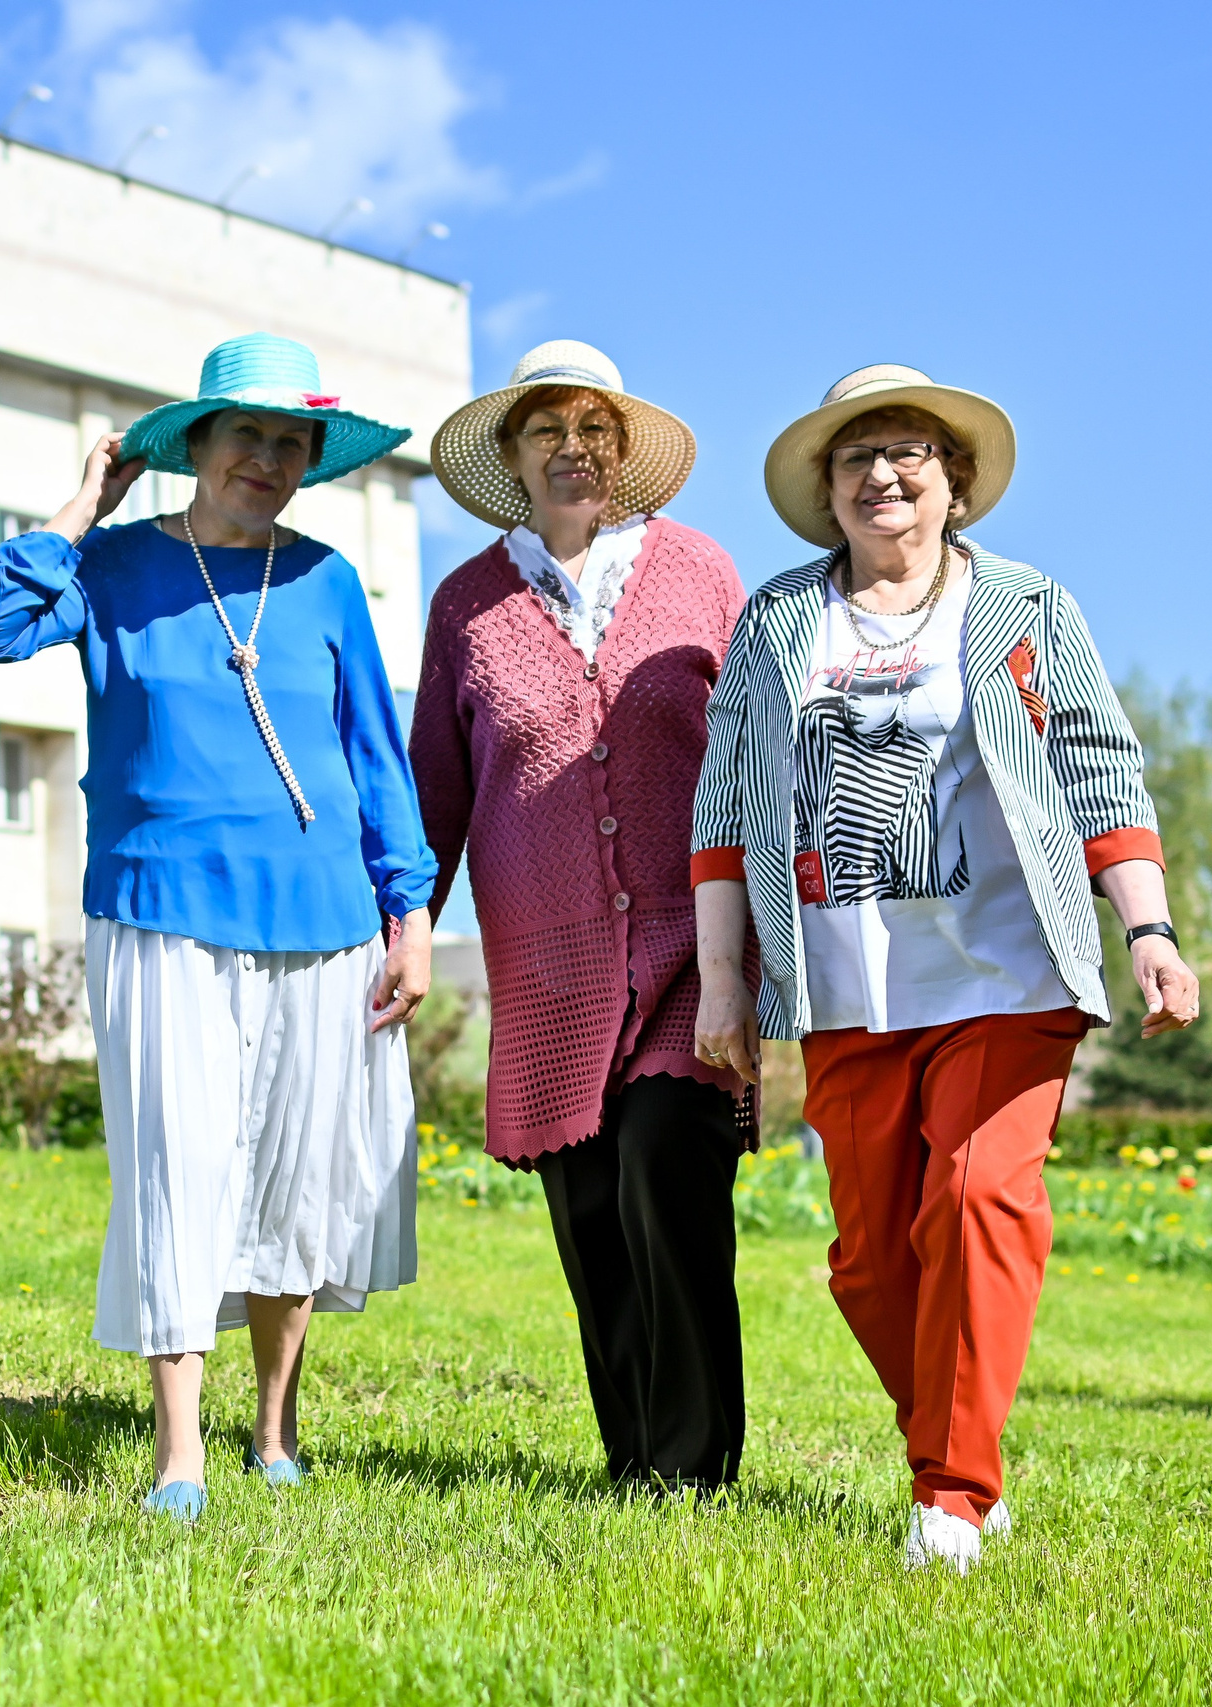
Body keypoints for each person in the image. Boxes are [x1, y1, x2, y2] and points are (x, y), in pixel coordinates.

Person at [690, 364, 1201, 1572]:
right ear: (825, 489)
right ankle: (958, 1445)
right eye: (856, 457)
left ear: (952, 481)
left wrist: (1151, 931)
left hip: (1009, 969)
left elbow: (1099, 774)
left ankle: (951, 1500)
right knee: (869, 1262)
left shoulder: (1028, 606)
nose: (882, 474)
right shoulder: (774, 623)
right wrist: (725, 980)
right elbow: (724, 805)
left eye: (908, 452)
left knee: (977, 1202)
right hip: (845, 983)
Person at [0, 333, 437, 1522]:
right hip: (159, 907)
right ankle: (180, 1453)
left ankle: (275, 1425)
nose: (266, 460)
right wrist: (82, 502)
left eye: (289, 444)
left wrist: (409, 911)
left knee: (295, 1173)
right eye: (245, 437)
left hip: (324, 918)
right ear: (196, 449)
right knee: (178, 1168)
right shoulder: (107, 568)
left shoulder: (323, 580)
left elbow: (374, 750)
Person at [410, 341, 754, 1492]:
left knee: (667, 1163)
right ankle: (631, 1463)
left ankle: (692, 1465)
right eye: (546, 429)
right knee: (594, 1209)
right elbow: (437, 791)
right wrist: (407, 925)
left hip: (693, 942)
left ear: (625, 452)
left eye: (596, 428)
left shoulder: (701, 569)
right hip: (548, 964)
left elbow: (759, 749)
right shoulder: (467, 601)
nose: (573, 448)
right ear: (511, 456)